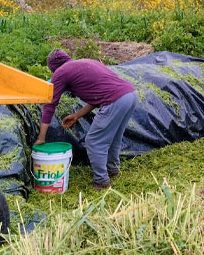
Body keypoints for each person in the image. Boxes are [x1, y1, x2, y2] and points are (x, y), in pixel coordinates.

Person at [35, 49, 137, 191]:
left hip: (115, 101)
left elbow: (50, 105)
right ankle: (112, 171)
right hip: (130, 95)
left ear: (53, 67)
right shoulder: (85, 62)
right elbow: (98, 96)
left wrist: (41, 137)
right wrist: (77, 115)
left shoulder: (60, 72)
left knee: (94, 141)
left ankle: (101, 181)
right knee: (114, 138)